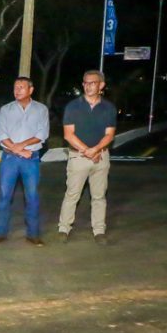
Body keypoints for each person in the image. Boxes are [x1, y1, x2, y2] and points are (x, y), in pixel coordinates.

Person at [57, 70, 117, 245]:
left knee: (99, 196)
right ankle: (64, 228)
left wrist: (97, 149)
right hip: (78, 157)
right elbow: (69, 135)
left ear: (101, 85)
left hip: (101, 157)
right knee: (72, 194)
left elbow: (109, 134)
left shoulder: (109, 108)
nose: (88, 86)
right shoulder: (73, 107)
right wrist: (88, 151)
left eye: (93, 83)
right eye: (85, 83)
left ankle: (99, 231)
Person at [0, 77, 49, 246]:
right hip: (9, 159)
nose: (17, 90)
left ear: (31, 90)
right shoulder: (5, 109)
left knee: (32, 197)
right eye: (15, 87)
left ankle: (33, 234)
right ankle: (0, 233)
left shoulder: (41, 109)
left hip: (31, 159)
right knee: (4, 196)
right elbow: (0, 134)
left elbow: (42, 134)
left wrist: (22, 147)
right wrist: (18, 150)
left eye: (21, 87)